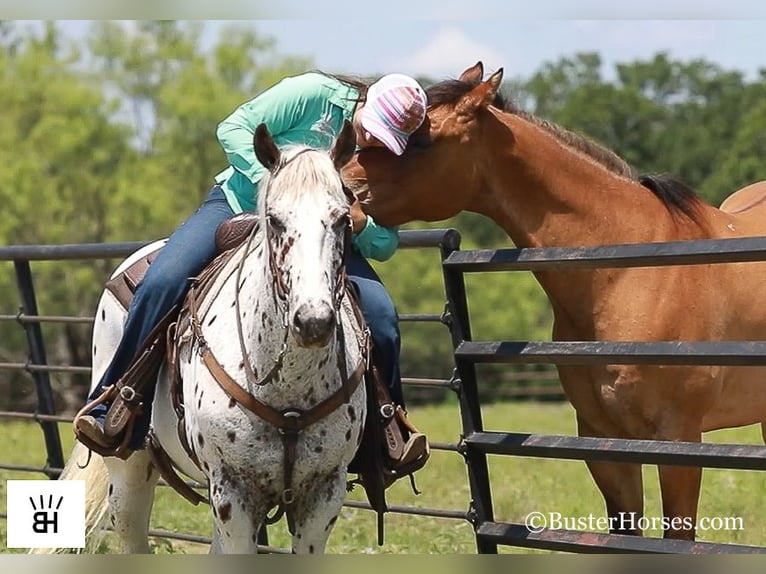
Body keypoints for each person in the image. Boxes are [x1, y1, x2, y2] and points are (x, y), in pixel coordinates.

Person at [74, 70, 429, 465]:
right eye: (374, 129)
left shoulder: (385, 160)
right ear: (364, 104)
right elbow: (234, 127)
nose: (374, 142)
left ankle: (387, 427)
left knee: (381, 314)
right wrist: (274, 184)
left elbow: (386, 243)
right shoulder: (312, 94)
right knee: (162, 280)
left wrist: (361, 224)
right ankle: (114, 405)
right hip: (238, 203)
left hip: (323, 232)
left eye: (387, 141)